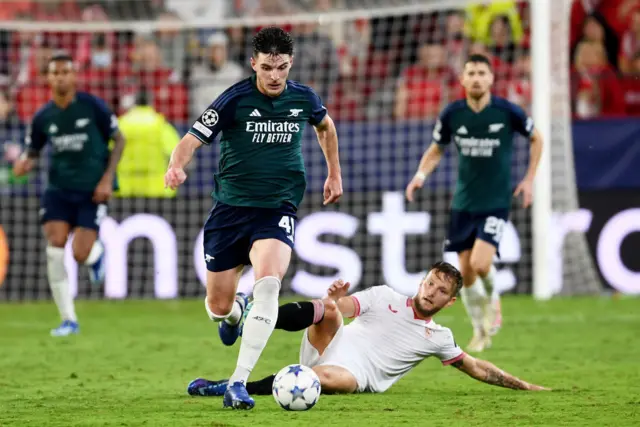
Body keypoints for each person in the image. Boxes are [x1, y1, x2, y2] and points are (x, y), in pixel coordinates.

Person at [164, 27, 343, 409]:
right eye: (267, 68)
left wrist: (334, 173)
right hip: (230, 212)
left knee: (268, 286)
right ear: (253, 64)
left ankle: (237, 383)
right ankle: (234, 315)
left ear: (290, 63)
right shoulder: (234, 99)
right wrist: (175, 167)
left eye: (281, 67)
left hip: (277, 208)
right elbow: (190, 140)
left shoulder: (304, 98)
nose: (275, 76)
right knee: (218, 307)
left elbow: (325, 126)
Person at [187, 262, 549, 396]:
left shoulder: (439, 338)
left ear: (449, 302)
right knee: (327, 310)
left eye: (441, 291)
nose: (432, 292)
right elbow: (341, 310)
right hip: (331, 343)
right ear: (421, 281)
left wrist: (524, 385)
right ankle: (252, 316)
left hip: (355, 374)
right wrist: (337, 299)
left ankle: (231, 387)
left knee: (331, 378)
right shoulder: (383, 296)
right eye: (430, 283)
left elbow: (475, 367)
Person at [405, 54, 543, 352]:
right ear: (463, 79)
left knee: (481, 264)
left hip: (495, 201)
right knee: (464, 274)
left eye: (482, 72)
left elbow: (537, 139)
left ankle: (494, 300)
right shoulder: (453, 114)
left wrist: (529, 179)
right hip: (463, 202)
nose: (477, 77)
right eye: (472, 73)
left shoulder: (507, 112)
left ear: (491, 78)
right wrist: (420, 176)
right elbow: (436, 149)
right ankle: (480, 330)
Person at [13, 51, 126, 337]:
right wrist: (25, 162)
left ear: (74, 75)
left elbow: (120, 138)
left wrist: (107, 177)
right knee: (54, 248)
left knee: (80, 253)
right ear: (47, 78)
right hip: (58, 190)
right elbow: (34, 150)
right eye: (55, 73)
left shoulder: (92, 107)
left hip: (92, 190)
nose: (60, 77)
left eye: (65, 72)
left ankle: (95, 255)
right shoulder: (43, 117)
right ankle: (68, 320)